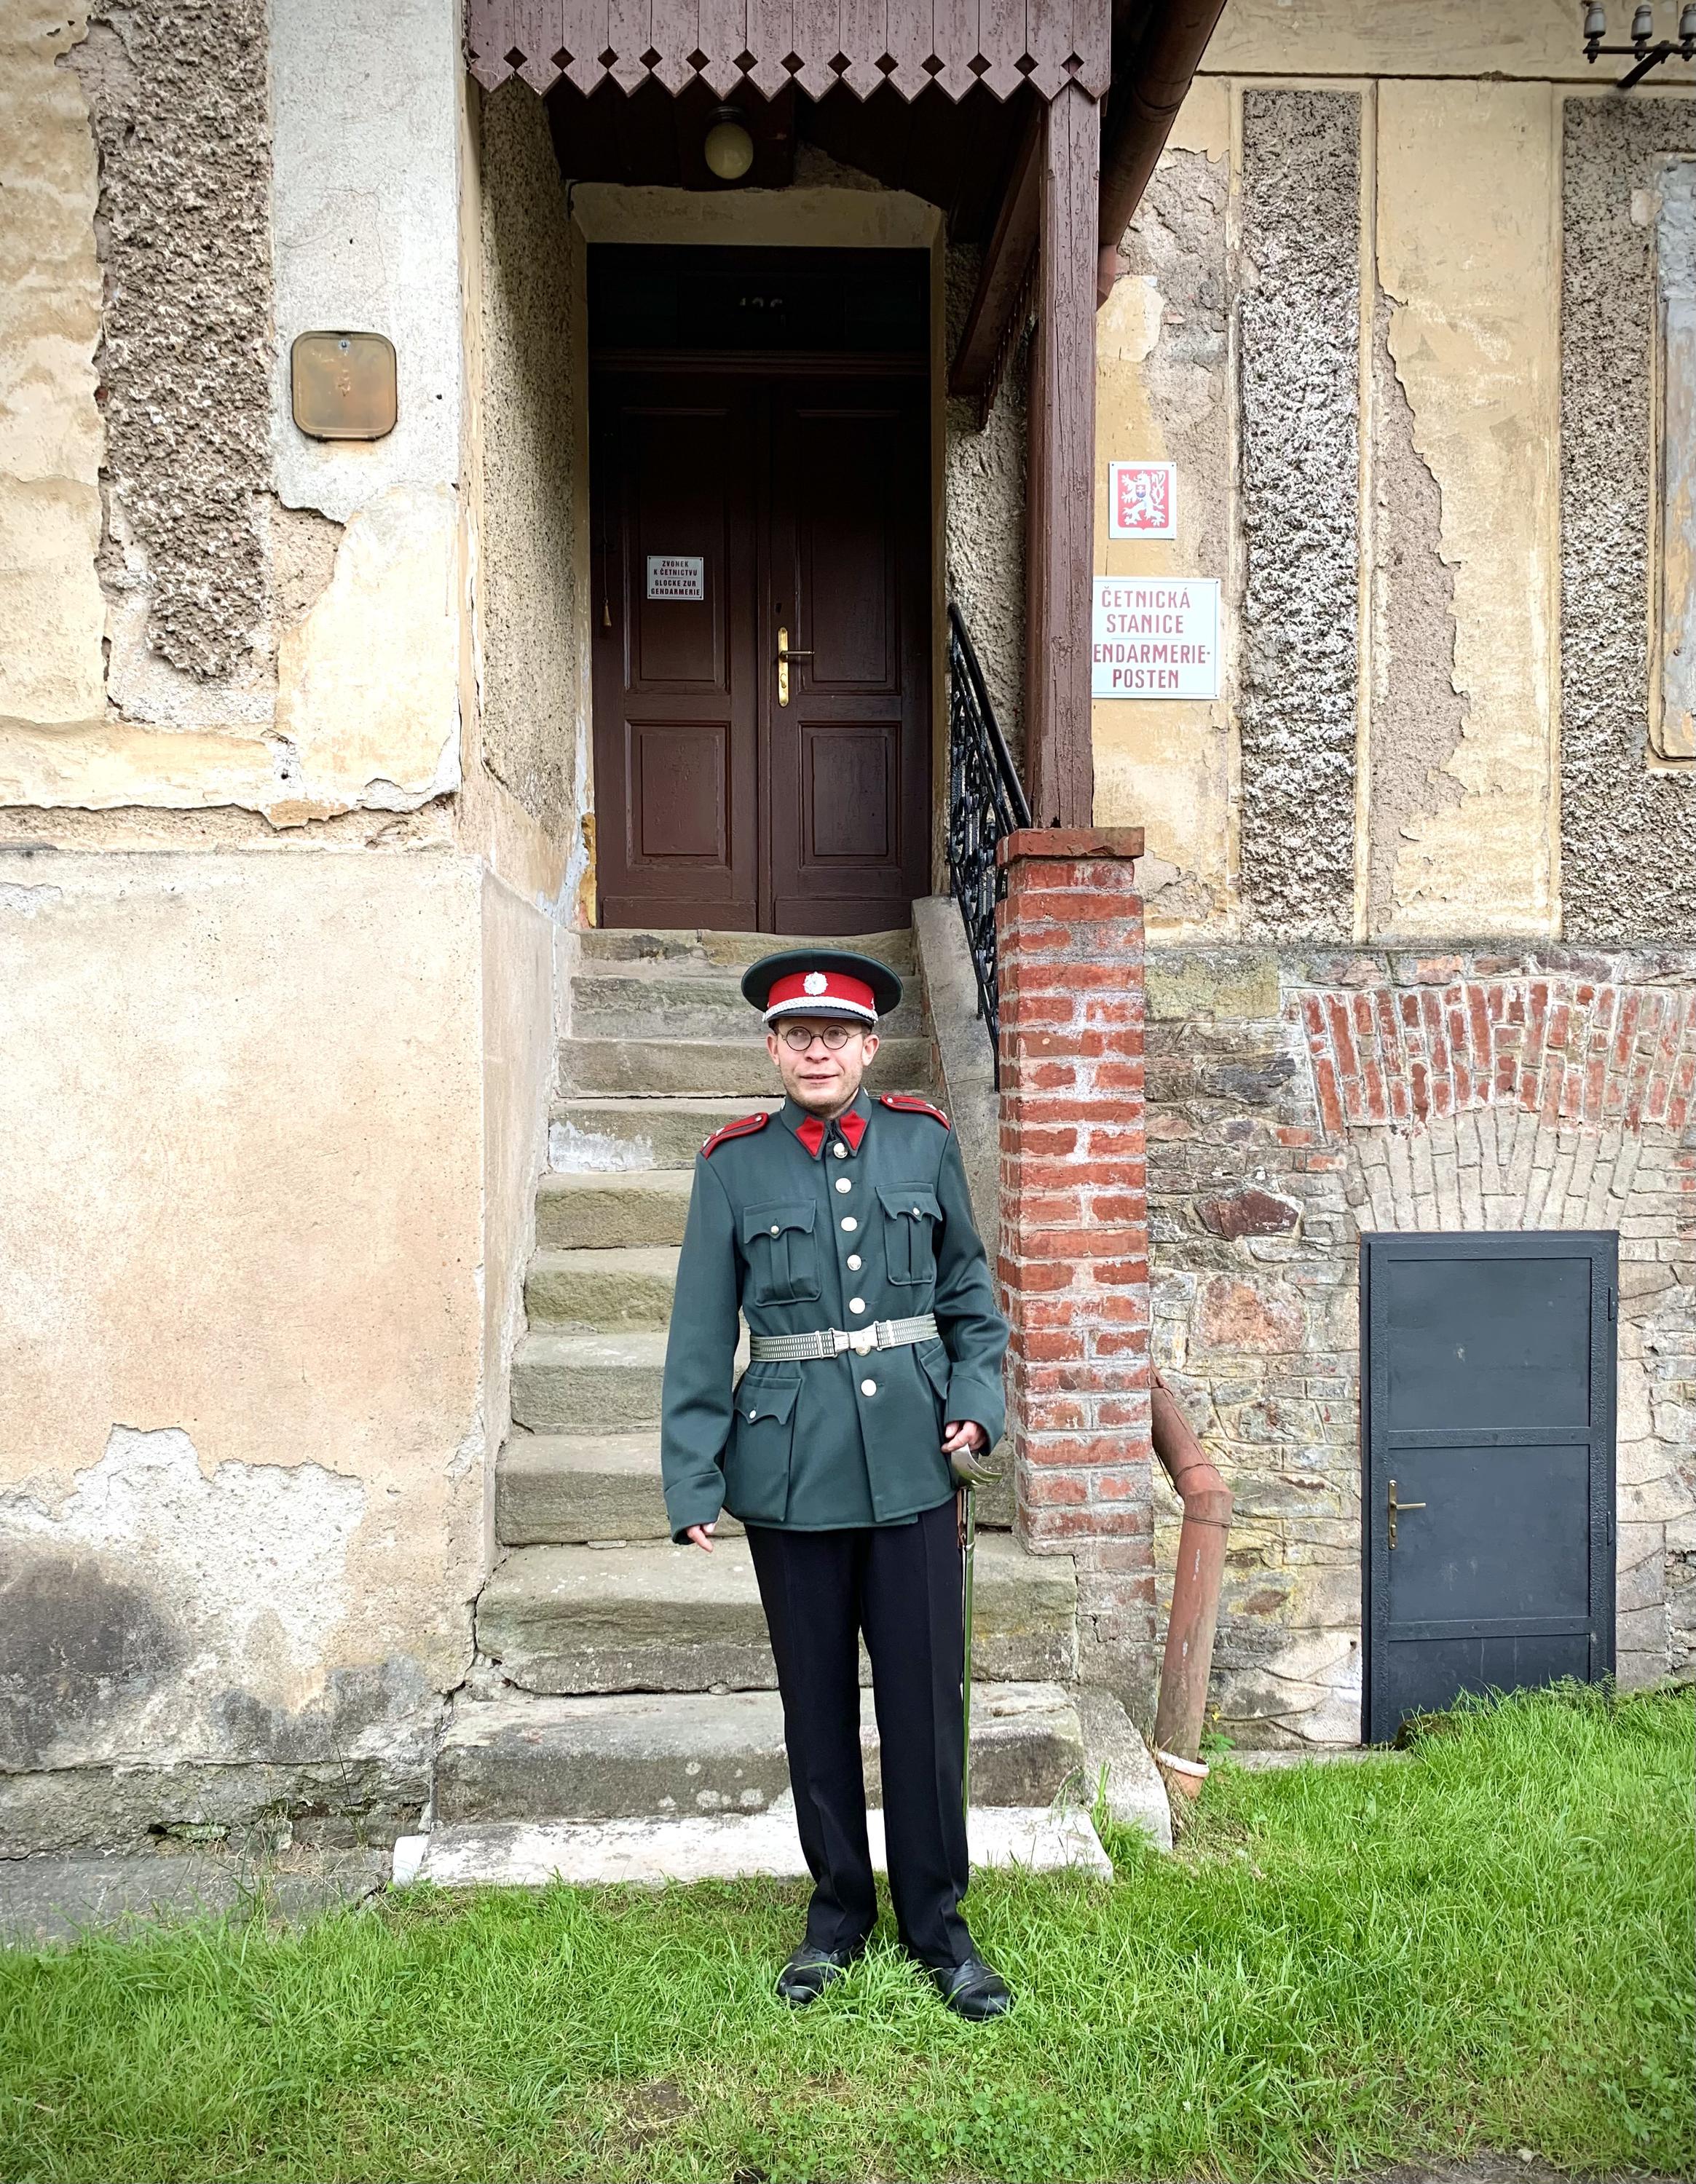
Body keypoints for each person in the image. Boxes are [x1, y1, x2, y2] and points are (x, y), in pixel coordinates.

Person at [660, 948, 1014, 2019]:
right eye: (795, 1033)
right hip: (789, 1473)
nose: (816, 1048)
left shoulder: (922, 1142)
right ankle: (836, 1920)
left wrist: (976, 1396)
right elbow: (696, 1329)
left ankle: (939, 1930)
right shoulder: (731, 1165)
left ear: (869, 1047)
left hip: (914, 1459)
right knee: (815, 1709)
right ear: (773, 1048)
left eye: (837, 1033)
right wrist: (692, 1476)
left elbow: (967, 1291)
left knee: (923, 1708)